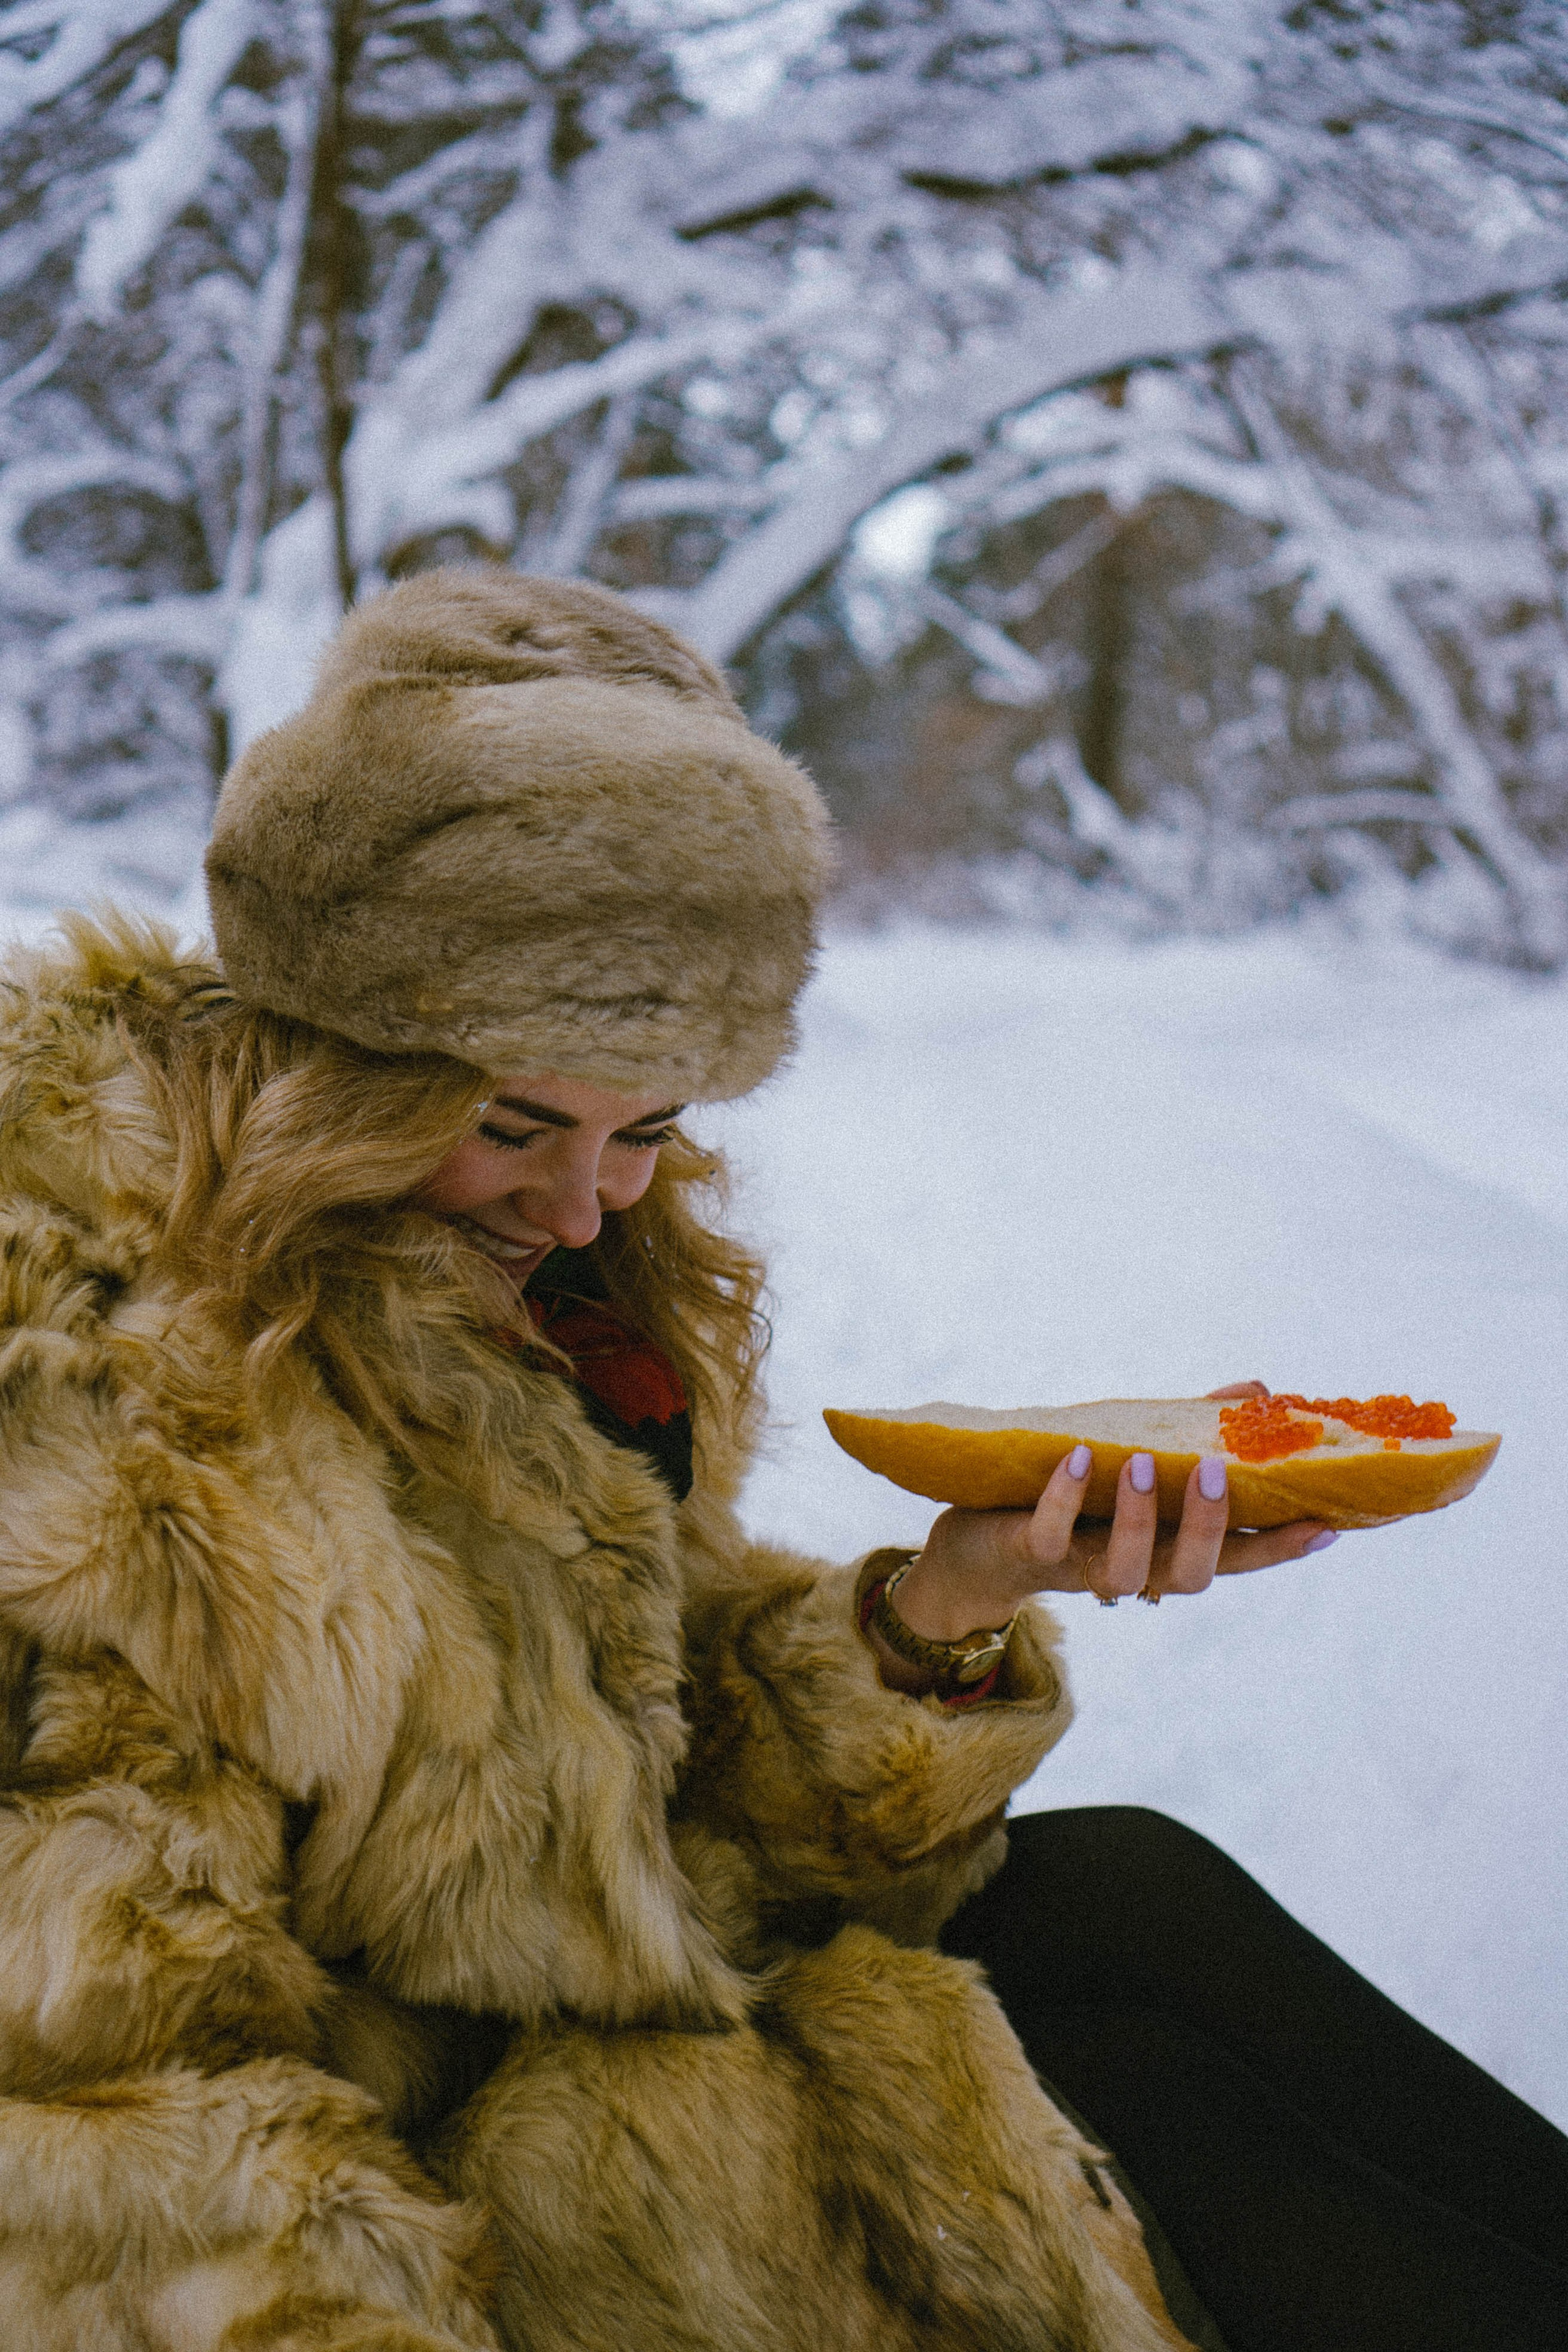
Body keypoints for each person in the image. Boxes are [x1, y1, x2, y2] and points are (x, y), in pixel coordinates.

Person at [0, 569, 1557, 2352]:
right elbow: (104, 2121)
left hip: (609, 2038)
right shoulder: (122, 1432)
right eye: (510, 1124)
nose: (586, 1203)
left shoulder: (544, 1316)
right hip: (449, 2198)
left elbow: (639, 1824)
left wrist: (942, 1610)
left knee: (1130, 1898)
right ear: (329, 1060)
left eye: (647, 1130)